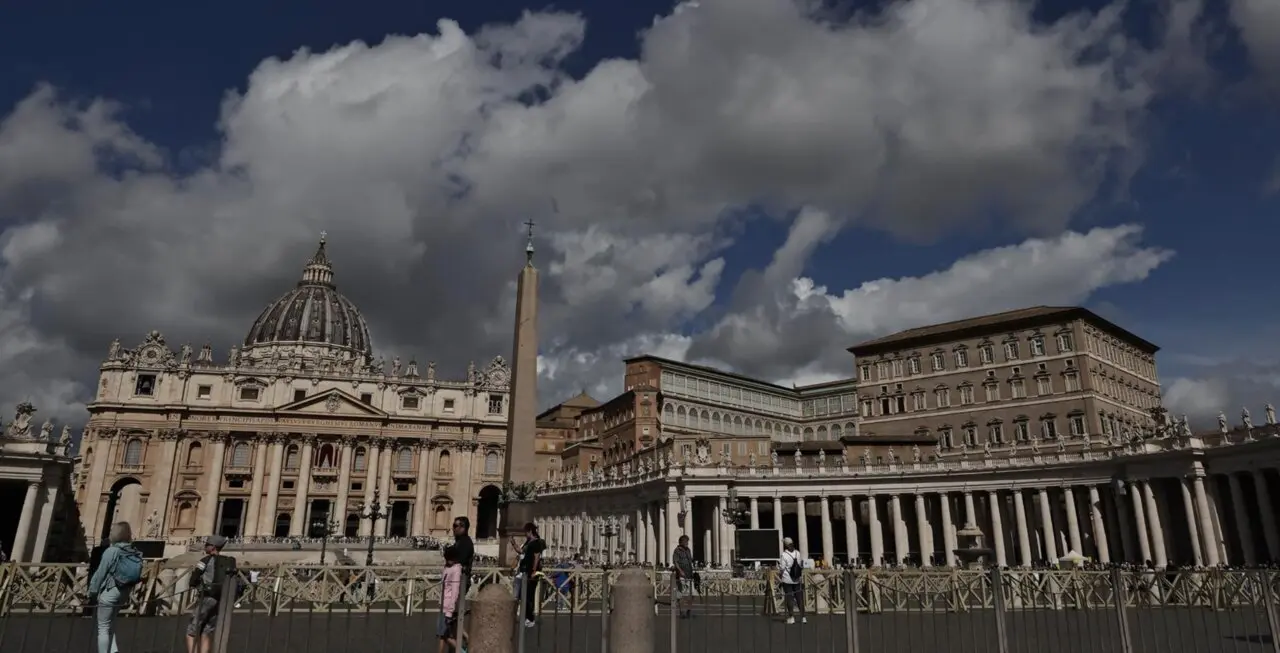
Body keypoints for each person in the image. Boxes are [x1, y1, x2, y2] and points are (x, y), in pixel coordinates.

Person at [88, 522, 144, 653]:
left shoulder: (112, 551)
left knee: (102, 627)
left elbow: (100, 573)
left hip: (110, 592)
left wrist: (92, 591)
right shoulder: (132, 551)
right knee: (111, 626)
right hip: (124, 592)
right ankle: (114, 651)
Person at [187, 535, 238, 653]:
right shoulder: (228, 560)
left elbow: (193, 579)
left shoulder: (205, 560)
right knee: (206, 630)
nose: (205, 547)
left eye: (207, 545)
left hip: (207, 596)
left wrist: (196, 585)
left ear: (213, 547)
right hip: (220, 598)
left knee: (191, 630)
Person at [515, 522, 546, 628]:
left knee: (529, 596)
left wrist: (533, 570)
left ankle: (530, 618)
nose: (525, 535)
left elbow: (536, 557)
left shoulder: (536, 543)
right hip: (525, 572)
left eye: (525, 532)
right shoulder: (529, 542)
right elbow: (521, 551)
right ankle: (526, 617)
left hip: (532, 573)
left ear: (529, 531)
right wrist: (513, 544)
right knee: (523, 595)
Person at [438, 546, 463, 653]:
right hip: (443, 604)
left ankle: (462, 651)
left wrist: (450, 610)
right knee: (445, 633)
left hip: (448, 607)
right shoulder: (447, 567)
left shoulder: (456, 569)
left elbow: (455, 591)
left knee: (443, 634)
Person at [779, 537, 806, 624]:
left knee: (789, 598)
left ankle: (791, 617)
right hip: (797, 578)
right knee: (799, 598)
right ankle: (803, 617)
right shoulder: (797, 553)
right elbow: (800, 563)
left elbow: (782, 568)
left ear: (785, 545)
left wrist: (780, 575)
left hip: (787, 579)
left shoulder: (784, 555)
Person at [671, 535, 695, 618]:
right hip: (681, 575)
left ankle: (689, 610)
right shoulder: (677, 551)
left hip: (689, 574)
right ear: (681, 542)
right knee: (680, 594)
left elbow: (690, 561)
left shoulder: (688, 550)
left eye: (687, 541)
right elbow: (675, 562)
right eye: (685, 541)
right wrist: (680, 571)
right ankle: (682, 611)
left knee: (692, 593)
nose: (687, 543)